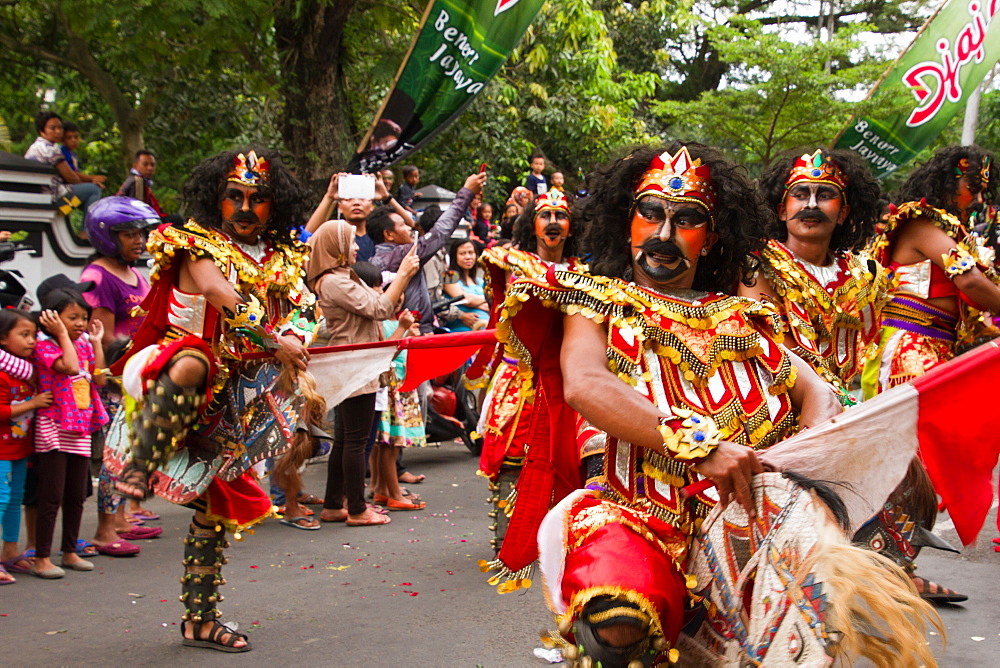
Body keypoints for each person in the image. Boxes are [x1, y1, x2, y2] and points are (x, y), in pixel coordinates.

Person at [492, 143, 933, 665]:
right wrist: (701, 446)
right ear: (626, 221)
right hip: (638, 512)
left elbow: (813, 388)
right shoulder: (593, 299)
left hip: (753, 508)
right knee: (619, 618)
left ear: (713, 236)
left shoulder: (743, 315)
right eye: (651, 213)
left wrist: (812, 456)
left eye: (686, 220)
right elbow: (586, 385)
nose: (663, 234)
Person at [106, 149, 320, 652]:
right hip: (171, 380)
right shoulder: (197, 243)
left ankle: (199, 621)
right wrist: (275, 339)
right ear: (216, 199)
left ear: (274, 206)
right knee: (195, 360)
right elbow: (218, 293)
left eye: (258, 199)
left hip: (234, 404)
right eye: (235, 196)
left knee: (213, 512)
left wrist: (295, 336)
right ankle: (140, 462)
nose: (245, 207)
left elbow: (302, 312)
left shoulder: (281, 257)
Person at [858, 145, 1000, 604]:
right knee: (914, 462)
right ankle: (883, 563)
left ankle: (894, 562)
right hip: (910, 350)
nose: (976, 198)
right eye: (971, 186)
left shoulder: (948, 230)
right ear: (948, 180)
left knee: (923, 462)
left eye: (982, 189)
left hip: (934, 348)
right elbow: (972, 284)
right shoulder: (922, 224)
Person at [472, 188, 587, 559]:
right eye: (545, 215)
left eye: (561, 215)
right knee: (512, 457)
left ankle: (561, 537)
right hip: (520, 379)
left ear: (572, 226)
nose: (553, 222)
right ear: (531, 224)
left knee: (570, 456)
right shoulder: (511, 262)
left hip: (567, 378)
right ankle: (510, 539)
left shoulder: (585, 273)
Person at [740, 149, 890, 394]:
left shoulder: (863, 274)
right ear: (781, 211)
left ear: (843, 213)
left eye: (825, 195)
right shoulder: (758, 262)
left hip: (842, 404)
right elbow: (770, 343)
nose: (811, 204)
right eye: (800, 195)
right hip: (776, 399)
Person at [305, 220, 421, 526]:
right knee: (355, 440)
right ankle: (357, 509)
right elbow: (382, 308)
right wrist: (405, 273)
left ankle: (334, 505)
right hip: (354, 365)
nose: (357, 246)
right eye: (350, 241)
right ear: (335, 247)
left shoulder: (343, 277)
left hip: (357, 362)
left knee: (346, 439)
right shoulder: (335, 282)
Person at [81, 197, 161, 556]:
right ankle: (103, 530)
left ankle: (123, 520)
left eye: (140, 234)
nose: (138, 241)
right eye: (129, 234)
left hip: (138, 375)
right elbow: (107, 337)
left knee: (132, 455)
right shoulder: (97, 276)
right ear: (106, 236)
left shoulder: (134, 273)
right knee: (115, 457)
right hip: (117, 379)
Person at [31, 292, 109, 579]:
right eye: (72, 318)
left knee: (76, 495)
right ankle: (41, 557)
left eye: (83, 318)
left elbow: (99, 377)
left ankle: (69, 551)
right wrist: (62, 334)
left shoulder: (83, 344)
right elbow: (71, 367)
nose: (80, 324)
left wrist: (97, 342)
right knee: (51, 496)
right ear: (52, 318)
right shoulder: (45, 345)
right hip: (53, 425)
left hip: (81, 426)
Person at [369, 170, 487, 334]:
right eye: (403, 225)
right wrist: (466, 192)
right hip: (413, 333)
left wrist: (387, 197)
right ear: (388, 235)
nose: (410, 227)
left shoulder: (375, 260)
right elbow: (441, 231)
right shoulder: (405, 254)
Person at [0, 310, 53, 584]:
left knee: (14, 500)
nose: (32, 341)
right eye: (24, 335)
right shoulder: (3, 373)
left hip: (19, 449)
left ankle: (10, 551)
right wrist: (33, 403)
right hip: (2, 451)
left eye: (33, 335)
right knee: (1, 499)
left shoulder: (29, 370)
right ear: (2, 339)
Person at [304, 172, 408, 262]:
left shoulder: (382, 235)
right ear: (339, 207)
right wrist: (329, 197)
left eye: (362, 199)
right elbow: (306, 239)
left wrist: (387, 197)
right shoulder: (334, 237)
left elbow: (415, 229)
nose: (356, 203)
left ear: (372, 205)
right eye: (349, 199)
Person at [24, 111, 106, 221]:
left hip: (39, 195)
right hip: (52, 198)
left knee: (88, 198)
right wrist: (90, 181)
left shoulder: (36, 146)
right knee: (94, 190)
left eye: (60, 128)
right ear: (41, 131)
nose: (58, 132)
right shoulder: (50, 148)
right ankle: (87, 232)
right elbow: (71, 178)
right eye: (53, 128)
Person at [442, 240, 489, 332]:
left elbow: (492, 306)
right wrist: (487, 298)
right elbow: (465, 299)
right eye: (462, 253)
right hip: (460, 334)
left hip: (485, 333)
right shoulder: (448, 276)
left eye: (471, 253)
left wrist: (474, 301)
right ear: (454, 256)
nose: (468, 257)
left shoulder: (480, 281)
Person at [116, 150, 168, 218]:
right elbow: (138, 212)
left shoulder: (138, 180)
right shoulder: (137, 181)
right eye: (145, 164)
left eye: (152, 165)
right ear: (135, 166)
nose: (150, 168)